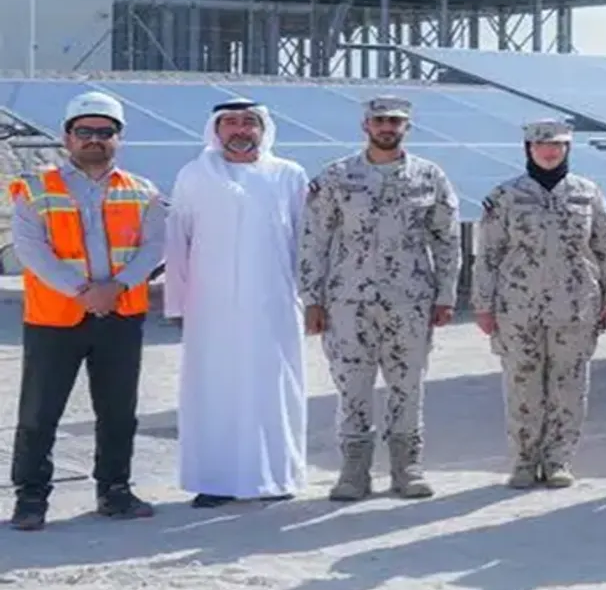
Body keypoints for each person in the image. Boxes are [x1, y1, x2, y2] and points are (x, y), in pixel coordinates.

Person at [8, 92, 167, 530]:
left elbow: (154, 246)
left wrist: (116, 287)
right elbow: (31, 249)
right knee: (40, 412)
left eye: (104, 132)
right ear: (67, 137)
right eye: (85, 132)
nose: (94, 140)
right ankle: (31, 497)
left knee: (118, 409)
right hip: (55, 318)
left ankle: (115, 490)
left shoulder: (143, 191)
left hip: (119, 315)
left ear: (119, 138)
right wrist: (83, 290)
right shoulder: (35, 188)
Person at [298, 95, 462, 502]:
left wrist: (445, 294)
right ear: (365, 125)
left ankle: (407, 468)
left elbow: (447, 240)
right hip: (348, 301)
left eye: (395, 121)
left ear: (407, 127)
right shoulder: (337, 177)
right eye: (380, 120)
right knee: (352, 384)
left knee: (408, 384)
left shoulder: (430, 177)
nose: (387, 127)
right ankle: (354, 470)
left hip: (410, 300)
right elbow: (314, 240)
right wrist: (312, 298)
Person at [164, 99, 311, 508]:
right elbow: (177, 242)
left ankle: (276, 476)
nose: (240, 130)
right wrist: (176, 304)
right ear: (216, 129)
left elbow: (306, 241)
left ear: (264, 130)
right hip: (209, 309)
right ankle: (214, 480)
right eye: (230, 122)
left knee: (273, 390)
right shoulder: (194, 176)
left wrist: (312, 299)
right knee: (213, 390)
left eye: (249, 123)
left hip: (274, 306)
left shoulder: (288, 175)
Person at [473, 119, 606, 489]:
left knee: (568, 385)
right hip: (518, 306)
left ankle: (558, 460)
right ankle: (524, 461)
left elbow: (602, 248)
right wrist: (483, 306)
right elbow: (488, 253)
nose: (549, 151)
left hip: (576, 305)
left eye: (557, 145)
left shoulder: (587, 193)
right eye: (541, 145)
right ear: (528, 149)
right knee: (523, 384)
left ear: (568, 148)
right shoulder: (505, 196)